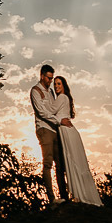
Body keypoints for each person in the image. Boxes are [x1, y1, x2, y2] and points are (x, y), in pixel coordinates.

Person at [50, 75, 102, 206]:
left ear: (64, 86)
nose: (56, 86)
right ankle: (82, 194)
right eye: (55, 84)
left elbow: (49, 111)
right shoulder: (65, 98)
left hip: (67, 131)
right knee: (76, 162)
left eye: (59, 84)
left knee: (73, 161)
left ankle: (82, 195)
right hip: (69, 131)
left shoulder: (61, 97)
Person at [30, 64, 68, 204]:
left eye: (52, 79)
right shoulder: (35, 91)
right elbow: (41, 112)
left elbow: (55, 110)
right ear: (42, 76)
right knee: (47, 164)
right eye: (48, 78)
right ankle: (52, 199)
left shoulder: (52, 92)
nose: (50, 81)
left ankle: (64, 197)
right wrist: (58, 120)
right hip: (44, 129)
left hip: (55, 130)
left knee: (60, 164)